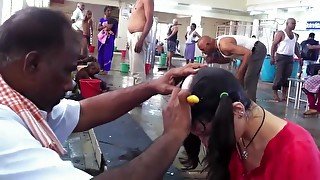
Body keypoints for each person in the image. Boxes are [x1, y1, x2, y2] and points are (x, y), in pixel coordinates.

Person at [0, 7, 205, 179]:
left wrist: (153, 86)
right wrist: (174, 135)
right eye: (65, 71)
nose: (70, 85)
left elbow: (84, 112)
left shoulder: (18, 101)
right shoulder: (5, 133)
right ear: (32, 64)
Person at [181, 67, 320, 180]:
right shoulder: (235, 132)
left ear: (238, 110)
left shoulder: (298, 152)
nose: (205, 143)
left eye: (207, 134)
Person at [197, 35, 267, 102]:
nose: (203, 52)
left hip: (256, 49)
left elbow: (248, 53)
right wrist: (215, 60)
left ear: (208, 44)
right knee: (239, 80)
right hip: (250, 52)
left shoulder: (224, 45)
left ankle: (251, 107)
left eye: (203, 49)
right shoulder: (218, 45)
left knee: (248, 79)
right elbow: (229, 59)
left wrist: (240, 72)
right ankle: (243, 101)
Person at [271, 18, 302, 102]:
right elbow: (274, 45)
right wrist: (272, 57)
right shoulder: (281, 33)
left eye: (295, 24)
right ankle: (275, 94)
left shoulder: (295, 35)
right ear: (287, 24)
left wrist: (299, 57)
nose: (294, 25)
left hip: (290, 58)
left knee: (287, 77)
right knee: (279, 76)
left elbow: (295, 47)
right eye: (292, 23)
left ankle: (284, 95)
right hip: (281, 57)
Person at [127, 0, 154, 84]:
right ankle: (136, 93)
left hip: (139, 36)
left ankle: (140, 95)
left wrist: (141, 39)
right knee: (133, 69)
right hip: (133, 36)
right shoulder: (137, 1)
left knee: (138, 71)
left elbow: (150, 20)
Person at [97, 6, 118, 73]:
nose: (109, 12)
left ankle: (106, 70)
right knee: (101, 53)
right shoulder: (101, 20)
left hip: (109, 40)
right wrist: (104, 26)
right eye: (108, 10)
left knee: (108, 54)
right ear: (105, 12)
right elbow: (98, 28)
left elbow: (110, 28)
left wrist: (105, 27)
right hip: (102, 39)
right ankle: (100, 68)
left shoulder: (113, 20)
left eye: (110, 11)